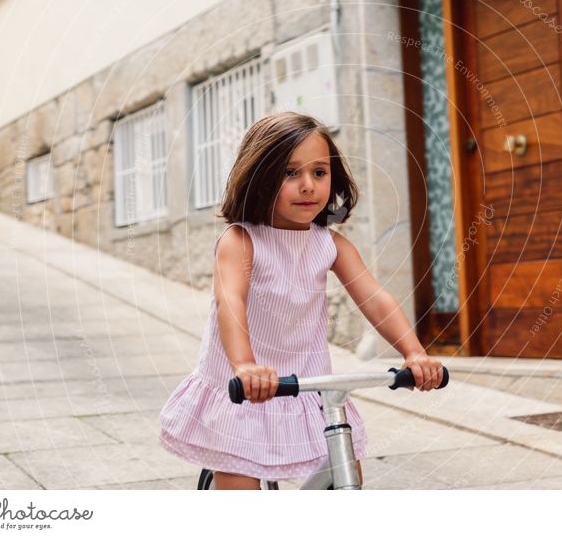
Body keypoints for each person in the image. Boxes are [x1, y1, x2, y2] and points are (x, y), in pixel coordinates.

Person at [158, 111, 444, 489]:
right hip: (244, 386)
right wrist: (245, 365)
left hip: (306, 387)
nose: (308, 185)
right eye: (290, 173)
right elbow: (232, 303)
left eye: (319, 173)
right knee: (239, 484)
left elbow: (374, 297)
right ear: (259, 177)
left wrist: (414, 352)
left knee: (345, 476)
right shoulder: (241, 241)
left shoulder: (330, 244)